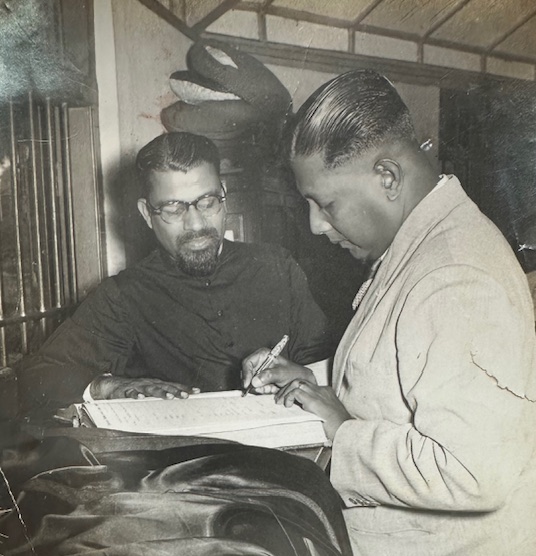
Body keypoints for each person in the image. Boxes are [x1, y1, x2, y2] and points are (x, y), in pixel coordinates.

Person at [242, 70, 536, 556]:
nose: (316, 225)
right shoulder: (421, 245)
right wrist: (311, 382)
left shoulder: (454, 272)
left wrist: (341, 433)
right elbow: (403, 373)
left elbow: (472, 471)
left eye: (326, 203)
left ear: (387, 176)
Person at [19, 132, 332, 414]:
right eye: (173, 209)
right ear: (147, 214)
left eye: (207, 202)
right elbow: (36, 377)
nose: (195, 224)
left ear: (224, 196)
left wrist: (302, 374)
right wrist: (109, 386)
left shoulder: (278, 267)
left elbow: (336, 368)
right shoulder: (123, 295)